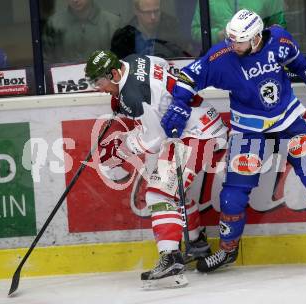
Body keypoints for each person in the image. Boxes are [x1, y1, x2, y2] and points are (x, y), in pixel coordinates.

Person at [161, 9, 306, 273]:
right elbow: (187, 78)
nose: (233, 45)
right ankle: (228, 251)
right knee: (232, 195)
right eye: (230, 39)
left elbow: (296, 58)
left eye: (239, 41)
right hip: (248, 127)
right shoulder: (221, 57)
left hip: (287, 118)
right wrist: (180, 103)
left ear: (256, 38)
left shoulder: (279, 40)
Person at [85, 50, 228, 288]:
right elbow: (164, 65)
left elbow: (153, 140)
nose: (99, 88)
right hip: (203, 124)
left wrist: (121, 149)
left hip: (196, 134)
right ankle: (197, 244)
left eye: (100, 82)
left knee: (160, 192)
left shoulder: (132, 95)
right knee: (174, 191)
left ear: (113, 73)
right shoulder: (132, 60)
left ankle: (170, 256)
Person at [42, 0, 121, 64]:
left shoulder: (112, 24)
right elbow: (46, 61)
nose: (75, 0)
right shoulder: (54, 24)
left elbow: (122, 60)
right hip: (65, 79)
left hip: (105, 80)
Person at [110, 0, 187, 59]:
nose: (153, 17)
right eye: (147, 12)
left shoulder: (172, 29)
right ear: (136, 11)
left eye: (156, 11)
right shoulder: (123, 38)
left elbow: (181, 58)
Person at [191, 0, 287, 45]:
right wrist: (218, 35)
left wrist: (259, 38)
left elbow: (279, 29)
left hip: (258, 62)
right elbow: (195, 32)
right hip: (222, 59)